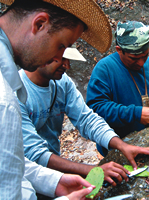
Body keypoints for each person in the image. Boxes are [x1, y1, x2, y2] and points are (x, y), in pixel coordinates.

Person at [0, 0, 114, 199]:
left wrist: (54, 182)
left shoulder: (58, 85)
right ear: (39, 24)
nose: (61, 58)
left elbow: (11, 164)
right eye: (62, 46)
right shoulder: (5, 101)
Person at [19, 47, 130, 187]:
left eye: (68, 59)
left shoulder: (62, 82)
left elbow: (86, 119)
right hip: (24, 176)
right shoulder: (16, 92)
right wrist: (93, 171)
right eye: (60, 59)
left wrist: (122, 145)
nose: (67, 65)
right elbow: (34, 154)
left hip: (53, 166)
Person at [86, 20, 149, 156]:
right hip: (120, 147)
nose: (141, 63)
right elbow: (96, 109)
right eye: (134, 58)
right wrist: (135, 114)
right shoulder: (104, 70)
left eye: (145, 56)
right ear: (119, 50)